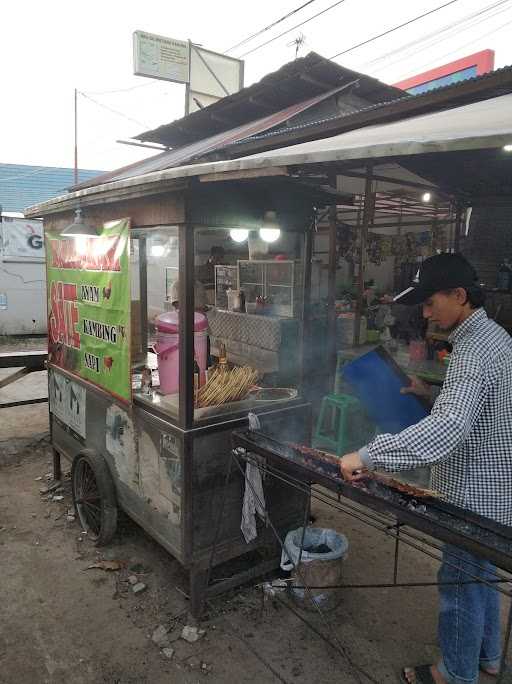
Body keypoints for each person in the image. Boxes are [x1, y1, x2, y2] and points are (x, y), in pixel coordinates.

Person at [339, 253, 512, 684]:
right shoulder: (495, 339)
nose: (426, 312)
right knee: (481, 574)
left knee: (458, 581)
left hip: (471, 494)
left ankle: (454, 674)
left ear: (459, 295)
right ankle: (489, 657)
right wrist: (429, 394)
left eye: (432, 302)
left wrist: (367, 455)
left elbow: (449, 431)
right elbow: (479, 415)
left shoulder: (473, 350)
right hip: (495, 491)